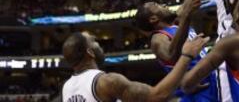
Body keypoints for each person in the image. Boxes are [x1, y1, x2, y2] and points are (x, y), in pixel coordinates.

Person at [62, 31, 209, 102]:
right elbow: (156, 95)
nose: (99, 43)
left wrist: (180, 89)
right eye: (94, 42)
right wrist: (186, 56)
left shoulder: (67, 88)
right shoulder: (107, 82)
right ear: (90, 52)